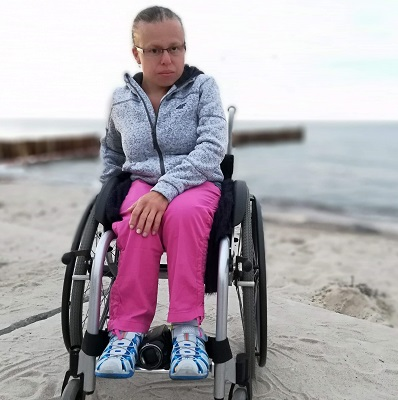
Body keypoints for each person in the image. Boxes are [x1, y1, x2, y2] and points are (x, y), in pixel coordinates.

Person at [95, 6, 227, 380]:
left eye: (175, 48)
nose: (167, 59)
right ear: (136, 53)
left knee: (183, 215)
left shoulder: (203, 88)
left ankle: (187, 330)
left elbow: (212, 147)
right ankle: (126, 332)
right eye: (154, 50)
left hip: (196, 180)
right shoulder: (121, 100)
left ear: (184, 48)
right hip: (141, 182)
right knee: (137, 220)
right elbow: (112, 151)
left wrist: (165, 190)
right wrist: (108, 195)